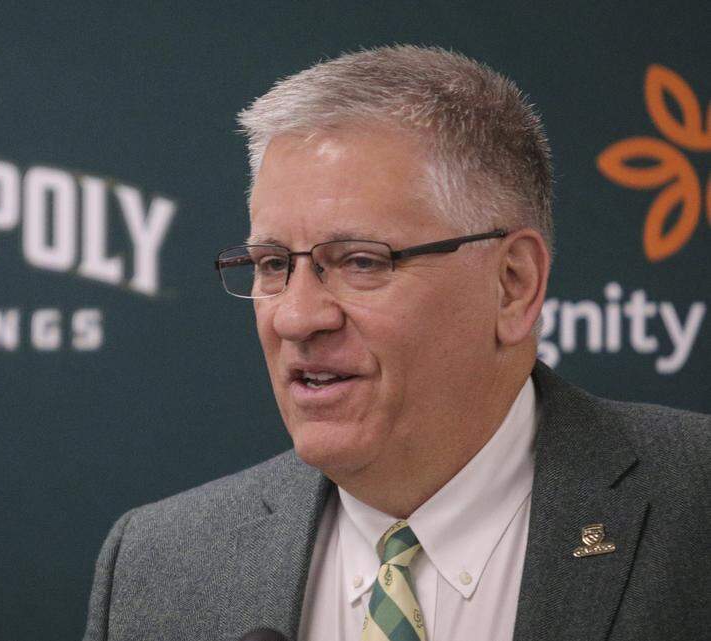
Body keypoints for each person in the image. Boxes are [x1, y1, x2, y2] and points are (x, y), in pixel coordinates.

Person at [82, 45, 711, 641]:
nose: (296, 318)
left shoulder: (693, 505)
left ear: (513, 285)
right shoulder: (159, 565)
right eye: (274, 265)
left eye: (359, 261)